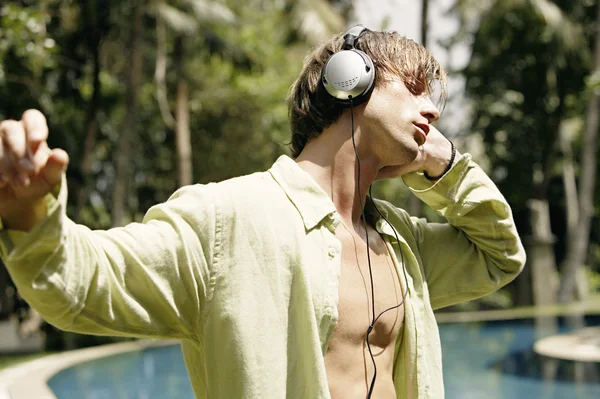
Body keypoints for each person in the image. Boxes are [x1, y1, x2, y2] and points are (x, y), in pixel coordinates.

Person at [0, 26, 525, 399]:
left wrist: (449, 167)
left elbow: (499, 255)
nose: (432, 110)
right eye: (412, 88)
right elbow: (83, 283)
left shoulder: (404, 243)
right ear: (351, 80)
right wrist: (30, 216)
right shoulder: (226, 221)